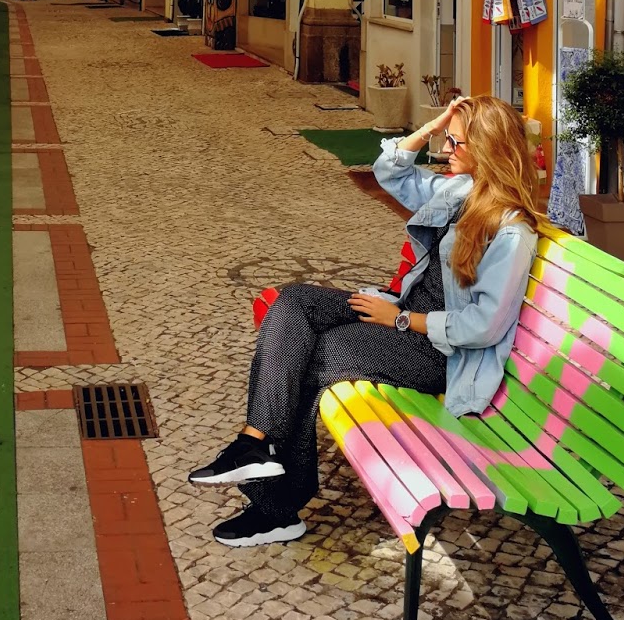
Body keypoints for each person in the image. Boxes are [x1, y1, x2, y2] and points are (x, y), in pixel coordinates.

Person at [189, 95, 542, 549]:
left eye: (456, 142)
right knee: (294, 302)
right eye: (446, 140)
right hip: (398, 315)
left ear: (488, 147)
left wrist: (399, 320)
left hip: (435, 351)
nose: (445, 150)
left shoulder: (512, 231)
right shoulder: (461, 191)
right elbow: (390, 172)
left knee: (319, 356)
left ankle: (275, 509)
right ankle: (255, 442)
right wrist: (433, 126)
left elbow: (484, 326)